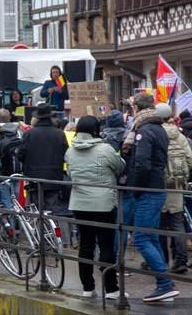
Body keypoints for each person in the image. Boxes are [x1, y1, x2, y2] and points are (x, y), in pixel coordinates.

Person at [124, 93, 178, 302]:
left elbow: (143, 164)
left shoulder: (144, 130)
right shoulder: (158, 127)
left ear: (136, 109)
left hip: (148, 189)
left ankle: (164, 285)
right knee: (152, 237)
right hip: (156, 188)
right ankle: (166, 283)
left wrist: (135, 188)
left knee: (141, 238)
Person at [65, 116, 126, 299]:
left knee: (86, 243)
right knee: (106, 243)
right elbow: (120, 166)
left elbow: (69, 172)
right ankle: (111, 289)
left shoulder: (70, 151)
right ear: (96, 129)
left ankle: (88, 287)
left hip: (79, 203)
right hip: (104, 203)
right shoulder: (106, 149)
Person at [156, 103, 192, 275]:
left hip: (157, 186)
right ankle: (180, 261)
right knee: (177, 225)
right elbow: (191, 159)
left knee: (159, 227)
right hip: (176, 186)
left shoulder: (153, 132)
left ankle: (160, 260)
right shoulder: (179, 135)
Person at [17, 103, 68, 211]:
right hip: (54, 176)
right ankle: (51, 226)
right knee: (51, 209)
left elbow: (20, 155)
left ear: (37, 117)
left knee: (35, 209)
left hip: (34, 176)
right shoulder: (59, 134)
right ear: (50, 116)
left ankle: (38, 227)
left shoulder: (29, 133)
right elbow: (66, 154)